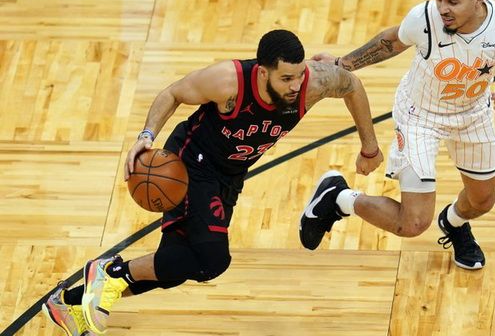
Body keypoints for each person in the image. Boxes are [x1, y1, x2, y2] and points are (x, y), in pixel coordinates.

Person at [42, 29, 383, 336]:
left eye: (299, 76)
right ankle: (111, 272)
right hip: (192, 163)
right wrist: (146, 136)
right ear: (262, 72)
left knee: (175, 264)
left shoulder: (315, 82)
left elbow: (353, 86)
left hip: (230, 174)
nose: (295, 86)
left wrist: (369, 146)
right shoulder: (227, 81)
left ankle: (68, 303)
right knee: (211, 260)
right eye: (286, 78)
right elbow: (173, 93)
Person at [299, 0, 495, 270]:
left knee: (482, 200)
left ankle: (453, 223)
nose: (442, 9)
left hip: (473, 115)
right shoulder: (425, 19)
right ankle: (340, 198)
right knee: (413, 223)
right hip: (420, 116)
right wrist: (341, 64)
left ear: (479, 0)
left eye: (453, 2)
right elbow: (390, 42)